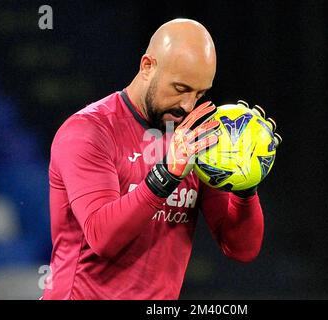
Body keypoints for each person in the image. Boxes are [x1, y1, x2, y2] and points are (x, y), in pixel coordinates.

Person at [42, 18, 281, 300]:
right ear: (147, 66)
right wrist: (167, 174)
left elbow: (240, 249)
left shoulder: (194, 137)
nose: (188, 105)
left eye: (200, 93)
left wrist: (246, 185)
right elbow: (102, 237)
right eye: (180, 89)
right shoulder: (88, 132)